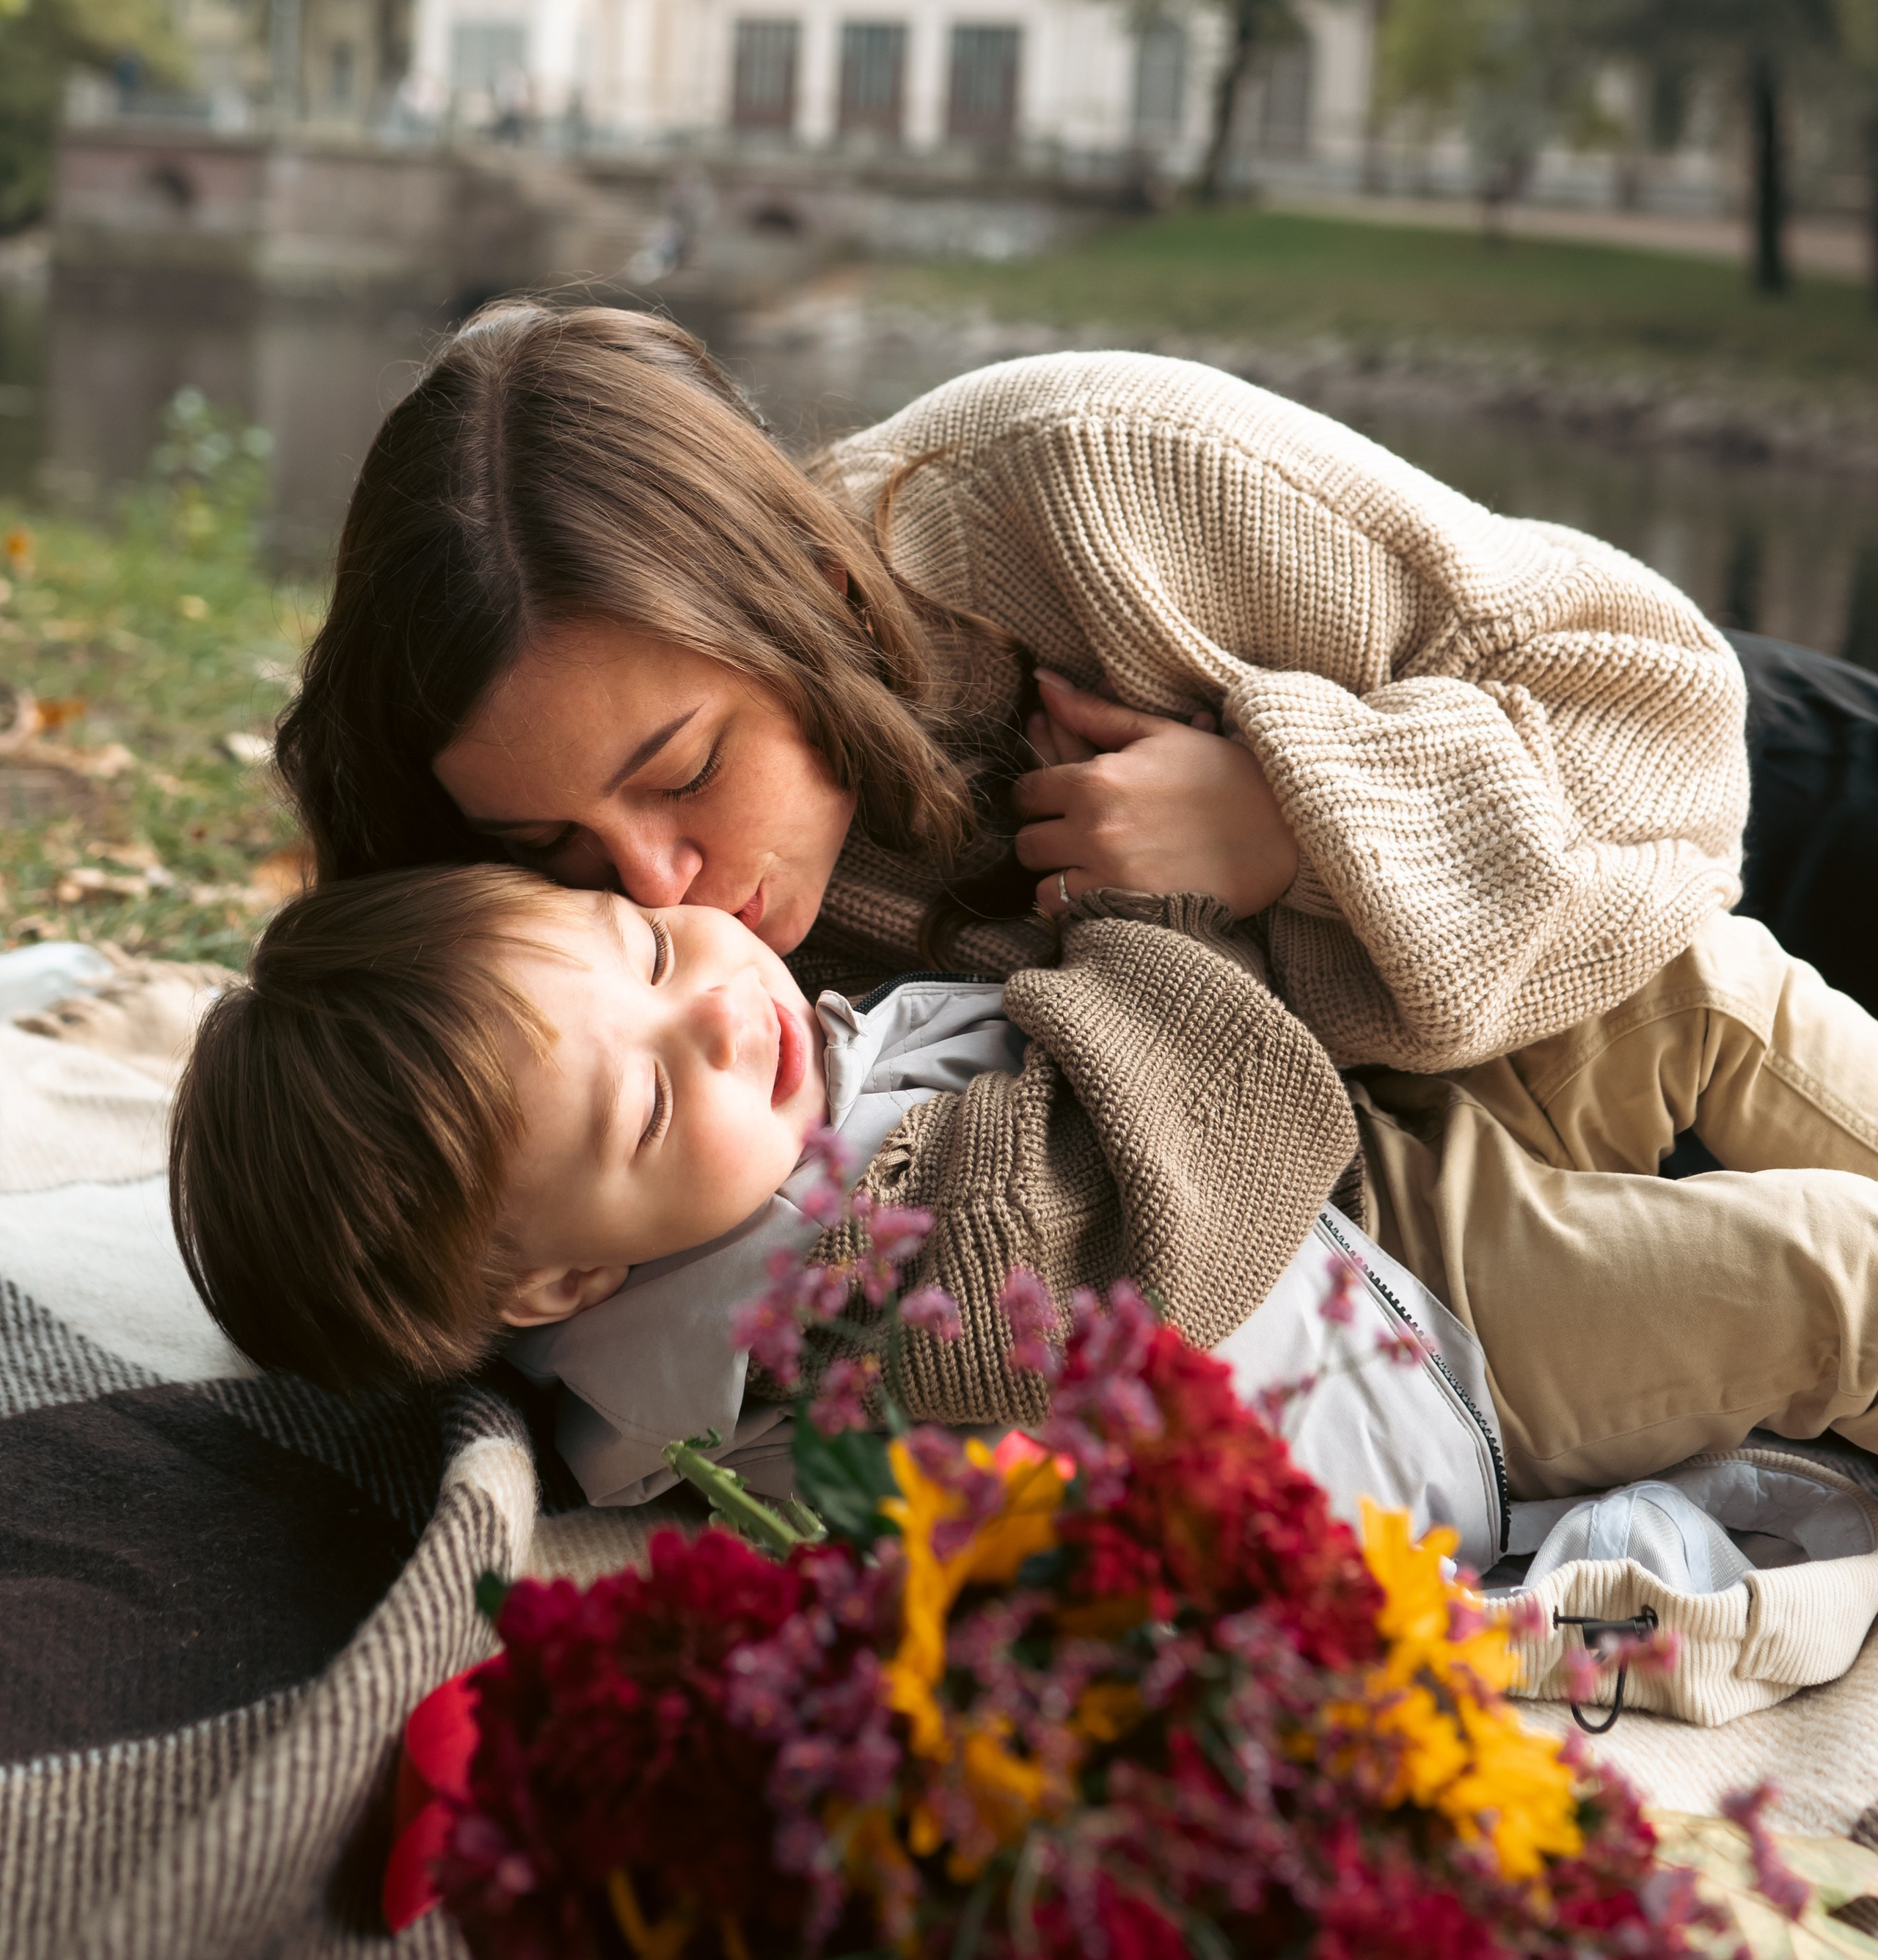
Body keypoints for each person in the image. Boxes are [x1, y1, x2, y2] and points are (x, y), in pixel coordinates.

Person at [268, 301, 1878, 1488]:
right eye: (555, 847)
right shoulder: (607, 968)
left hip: (1645, 819)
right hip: (1387, 1162)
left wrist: (1289, 820)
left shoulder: (1089, 483)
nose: (654, 885)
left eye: (685, 769)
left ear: (805, 599)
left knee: (1716, 1003)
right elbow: (418, 1187)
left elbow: (1665, 727)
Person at [170, 850, 1878, 1534]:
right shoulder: (854, 1314)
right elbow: (1153, 1134)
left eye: (639, 943)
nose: (714, 1005)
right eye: (647, 1101)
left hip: (1337, 1189)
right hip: (1422, 1357)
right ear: (554, 1287)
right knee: (1831, 1275)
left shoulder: (766, 1146)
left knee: (1686, 984)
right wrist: (1141, 920)